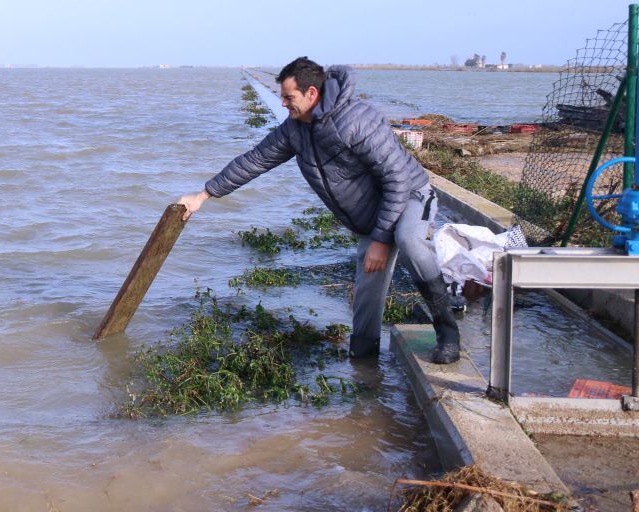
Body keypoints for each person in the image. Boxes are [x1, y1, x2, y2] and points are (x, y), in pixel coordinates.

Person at [178, 57, 460, 364]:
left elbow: (397, 178)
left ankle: (447, 333)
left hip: (410, 196)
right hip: (372, 215)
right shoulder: (294, 131)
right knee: (367, 286)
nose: (283, 104)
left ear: (311, 94)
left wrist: (381, 240)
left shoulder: (357, 120)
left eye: (289, 97)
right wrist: (203, 195)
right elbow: (254, 161)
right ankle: (363, 361)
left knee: (408, 241)